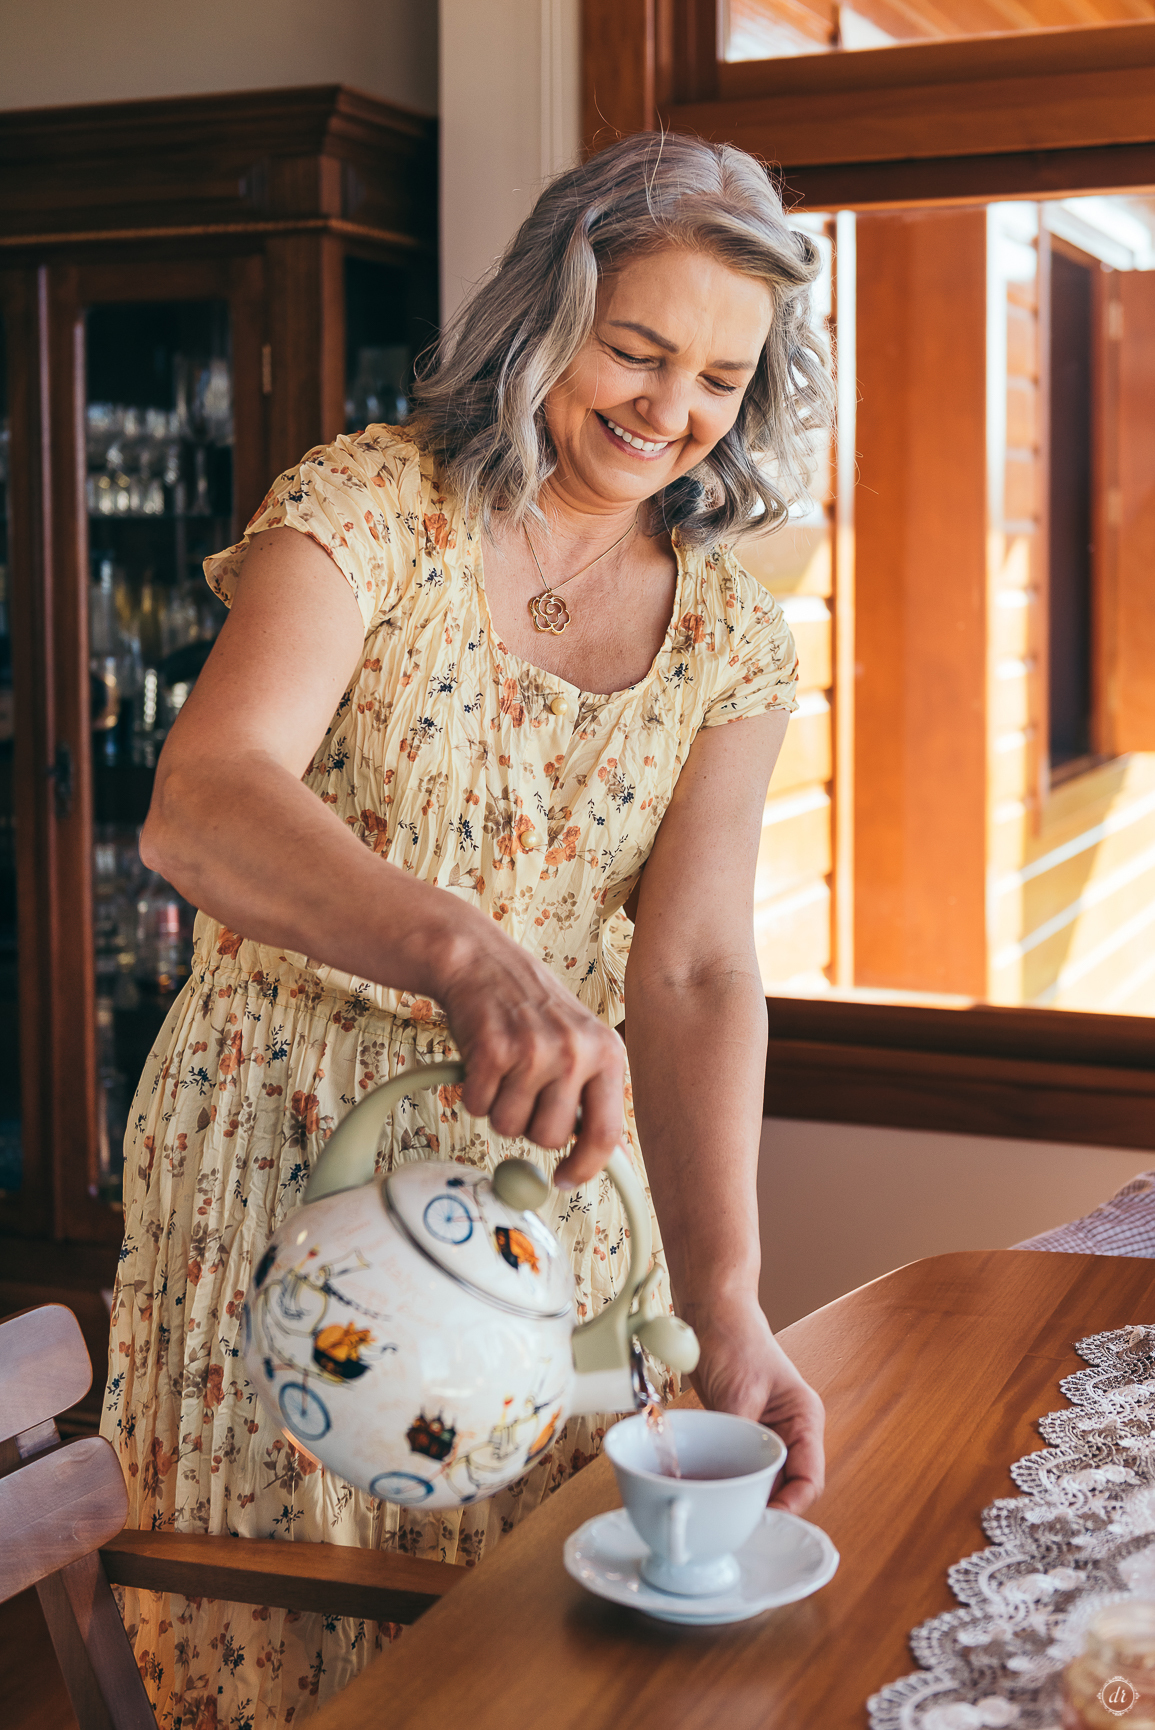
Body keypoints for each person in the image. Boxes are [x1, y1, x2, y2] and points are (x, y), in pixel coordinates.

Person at [102, 130, 834, 1727]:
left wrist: (728, 1297)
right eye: (636, 348)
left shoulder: (729, 634)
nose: (668, 408)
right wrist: (468, 954)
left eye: (719, 376)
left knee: (551, 1663)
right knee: (282, 1649)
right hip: (281, 1165)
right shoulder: (372, 508)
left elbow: (698, 967)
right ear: (543, 320)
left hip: (552, 1198)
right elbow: (202, 799)